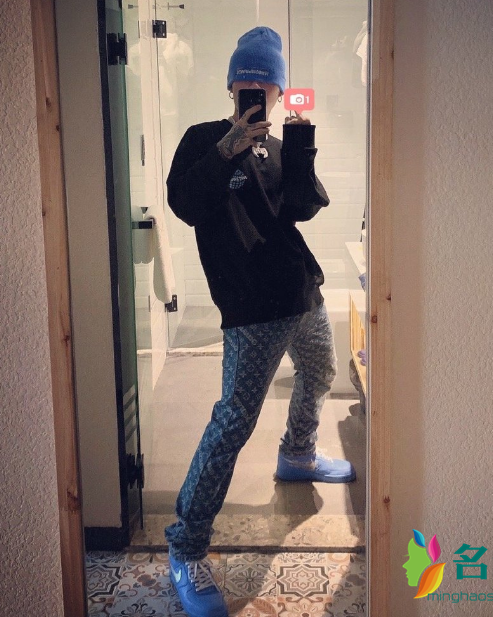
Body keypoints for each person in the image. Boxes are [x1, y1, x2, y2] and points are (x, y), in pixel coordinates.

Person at [164, 26, 356, 617]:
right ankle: (186, 546)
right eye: (247, 84)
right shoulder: (203, 139)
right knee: (233, 422)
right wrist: (228, 148)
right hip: (250, 308)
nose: (257, 93)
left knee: (320, 372)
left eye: (266, 85)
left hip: (301, 291)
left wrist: (301, 147)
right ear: (231, 87)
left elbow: (303, 208)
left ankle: (297, 454)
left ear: (277, 91)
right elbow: (185, 204)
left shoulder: (277, 144)